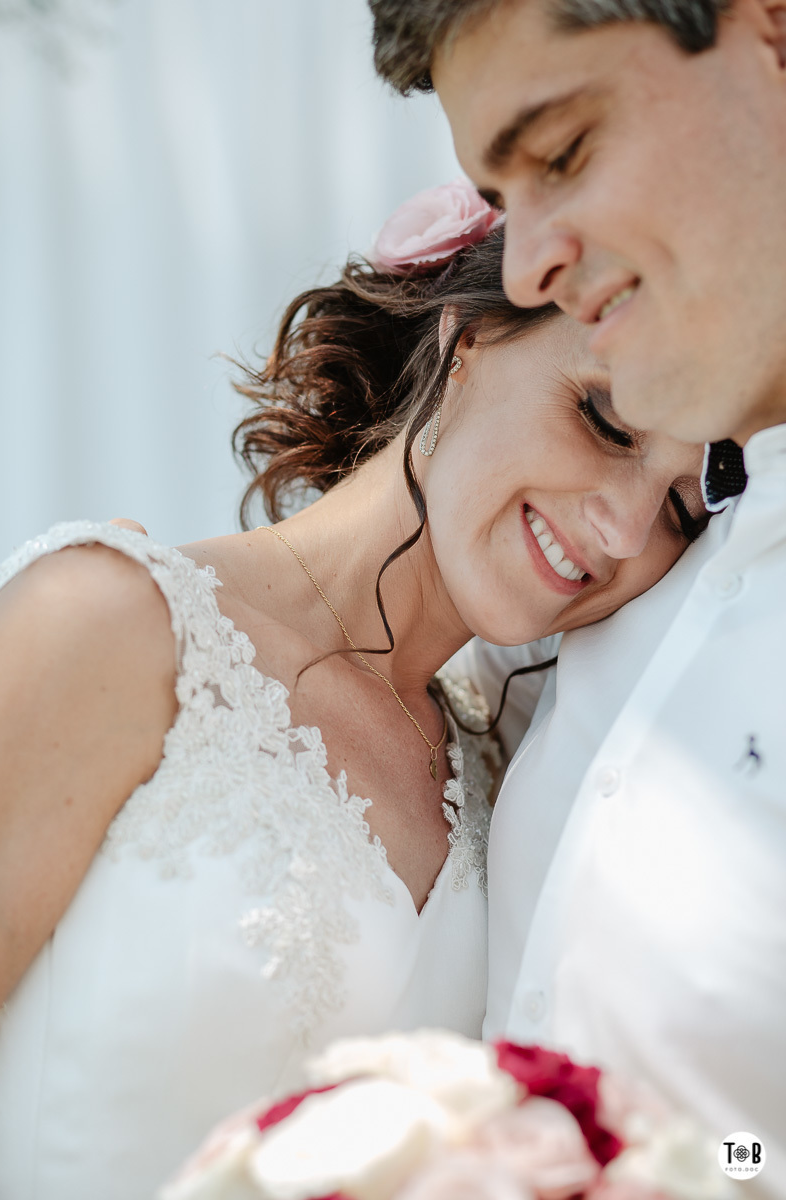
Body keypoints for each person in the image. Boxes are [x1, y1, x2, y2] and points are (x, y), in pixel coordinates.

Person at [0, 184, 708, 1199]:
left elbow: (723, 1134)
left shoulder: (511, 784)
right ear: (468, 339)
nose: (628, 530)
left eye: (681, 509)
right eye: (602, 420)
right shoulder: (105, 624)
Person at [369, 0, 786, 1192]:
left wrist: (699, 1166)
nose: (529, 258)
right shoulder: (597, 599)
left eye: (560, 151)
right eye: (499, 198)